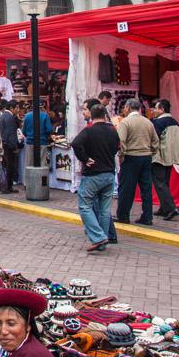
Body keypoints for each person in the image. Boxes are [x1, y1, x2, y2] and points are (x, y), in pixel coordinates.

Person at [71, 104, 120, 251]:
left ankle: (98, 237)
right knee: (105, 210)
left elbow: (75, 143)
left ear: (92, 116)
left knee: (85, 206)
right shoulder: (112, 130)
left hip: (93, 174)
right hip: (109, 173)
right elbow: (117, 147)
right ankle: (103, 238)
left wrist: (85, 158)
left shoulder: (89, 130)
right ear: (104, 115)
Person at [116, 97, 159, 225]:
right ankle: (147, 217)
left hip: (131, 157)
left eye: (124, 107)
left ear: (128, 108)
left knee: (126, 188)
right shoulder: (148, 122)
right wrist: (150, 151)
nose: (123, 110)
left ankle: (123, 215)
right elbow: (155, 141)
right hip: (146, 157)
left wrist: (121, 155)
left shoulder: (125, 122)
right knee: (146, 188)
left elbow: (121, 141)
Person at [151, 99, 179, 220]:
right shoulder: (175, 122)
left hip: (159, 156)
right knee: (165, 183)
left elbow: (154, 139)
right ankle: (163, 208)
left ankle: (171, 209)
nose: (153, 111)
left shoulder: (157, 122)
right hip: (171, 156)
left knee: (160, 183)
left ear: (162, 109)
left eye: (156, 108)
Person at [0, 99, 21, 193]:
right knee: (9, 167)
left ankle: (6, 186)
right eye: (17, 108)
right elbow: (11, 134)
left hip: (3, 145)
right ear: (11, 108)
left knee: (5, 166)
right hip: (8, 147)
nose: (18, 110)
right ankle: (6, 186)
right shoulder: (9, 118)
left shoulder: (3, 116)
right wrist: (14, 147)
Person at [21, 103, 53, 167]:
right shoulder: (45, 115)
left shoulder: (27, 116)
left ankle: (29, 177)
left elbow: (23, 131)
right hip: (42, 142)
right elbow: (49, 129)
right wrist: (45, 136)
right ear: (42, 107)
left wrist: (29, 136)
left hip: (30, 142)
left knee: (29, 164)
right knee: (42, 163)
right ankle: (40, 177)